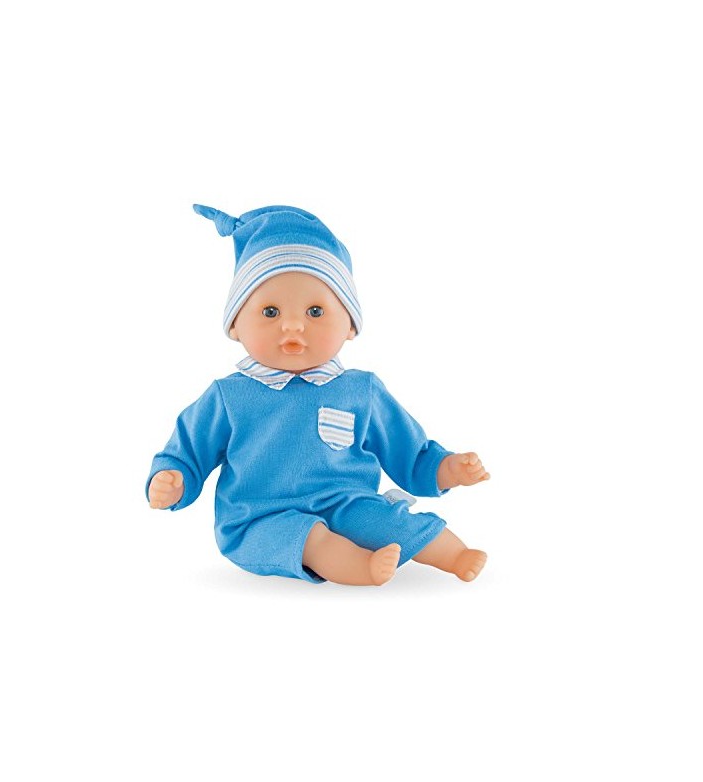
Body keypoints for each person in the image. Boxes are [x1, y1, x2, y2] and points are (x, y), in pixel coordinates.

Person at [146, 204, 490, 586]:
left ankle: (455, 555)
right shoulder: (229, 397)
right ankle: (360, 568)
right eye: (271, 312)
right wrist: (173, 478)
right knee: (309, 538)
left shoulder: (360, 390)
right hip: (259, 517)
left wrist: (446, 468)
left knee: (389, 520)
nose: (293, 325)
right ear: (236, 326)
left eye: (314, 311)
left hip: (346, 501)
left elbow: (408, 450)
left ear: (349, 326)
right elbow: (188, 450)